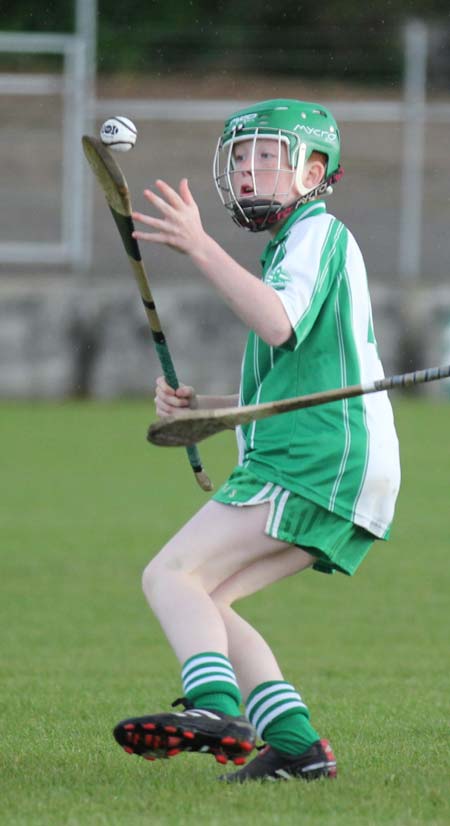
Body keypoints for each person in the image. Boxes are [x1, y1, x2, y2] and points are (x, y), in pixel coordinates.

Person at [113, 99, 401, 782]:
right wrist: (204, 410)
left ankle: (215, 709)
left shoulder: (316, 234)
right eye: (240, 158)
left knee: (170, 575)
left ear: (314, 171)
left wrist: (199, 246)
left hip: (315, 458)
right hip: (327, 456)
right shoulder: (292, 246)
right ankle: (297, 746)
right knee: (206, 599)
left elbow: (276, 323)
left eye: (267, 157)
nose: (248, 170)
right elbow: (290, 380)